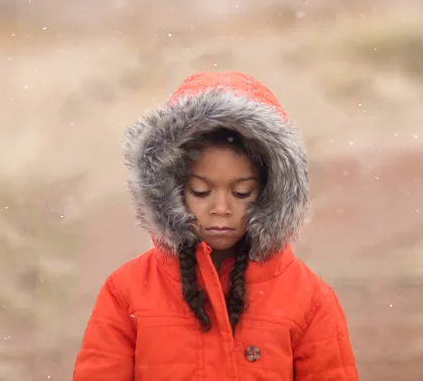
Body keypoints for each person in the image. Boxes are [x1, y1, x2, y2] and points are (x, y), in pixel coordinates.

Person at [72, 70, 359, 380]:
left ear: (270, 191)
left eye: (241, 192)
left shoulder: (309, 299)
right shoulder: (126, 292)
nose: (221, 208)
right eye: (201, 191)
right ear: (171, 189)